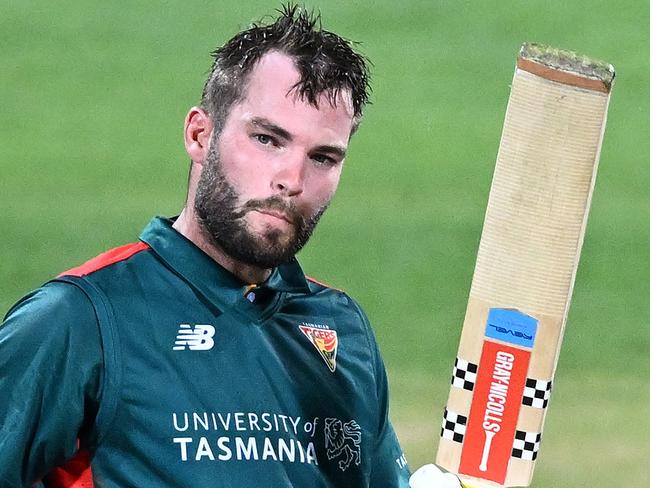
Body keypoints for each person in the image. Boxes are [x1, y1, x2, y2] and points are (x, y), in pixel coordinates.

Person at [0, 5, 462, 488]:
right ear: (200, 134)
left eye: (322, 157)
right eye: (267, 138)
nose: (292, 180)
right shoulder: (81, 318)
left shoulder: (341, 329)